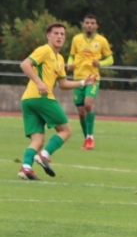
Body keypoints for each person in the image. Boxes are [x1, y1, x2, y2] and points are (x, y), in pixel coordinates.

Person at [18, 24, 95, 180]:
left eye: (62, 34)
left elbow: (63, 84)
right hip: (41, 98)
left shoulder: (59, 59)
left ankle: (25, 168)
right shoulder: (45, 50)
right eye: (56, 33)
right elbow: (25, 64)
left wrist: (82, 83)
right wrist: (39, 82)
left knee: (38, 139)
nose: (59, 36)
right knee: (66, 130)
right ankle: (44, 156)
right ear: (48, 36)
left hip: (28, 100)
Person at [67, 14, 114, 149]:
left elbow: (110, 59)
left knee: (88, 104)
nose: (89, 25)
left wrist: (100, 63)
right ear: (83, 24)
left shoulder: (102, 41)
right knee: (81, 112)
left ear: (96, 26)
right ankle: (86, 139)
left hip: (93, 78)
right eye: (87, 23)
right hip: (78, 79)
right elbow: (71, 56)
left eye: (92, 23)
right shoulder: (76, 39)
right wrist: (70, 64)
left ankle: (90, 138)